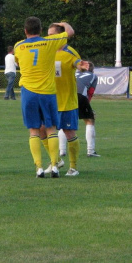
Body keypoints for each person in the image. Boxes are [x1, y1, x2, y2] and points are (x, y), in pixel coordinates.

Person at [13, 17, 74, 178]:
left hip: (28, 92)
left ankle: (39, 168)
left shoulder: (18, 46)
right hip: (47, 91)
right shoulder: (49, 42)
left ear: (25, 31)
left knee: (33, 130)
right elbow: (70, 32)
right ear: (41, 30)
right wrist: (62, 23)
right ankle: (54, 165)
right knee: (51, 128)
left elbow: (18, 62)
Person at [42, 23, 89, 177]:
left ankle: (73, 167)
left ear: (60, 36)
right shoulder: (47, 50)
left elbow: (78, 63)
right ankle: (55, 160)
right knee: (42, 129)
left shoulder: (70, 52)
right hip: (50, 99)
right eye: (48, 35)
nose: (49, 38)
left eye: (52, 35)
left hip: (66, 101)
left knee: (69, 133)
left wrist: (81, 66)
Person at [74, 62, 100, 157]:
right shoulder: (93, 75)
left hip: (66, 96)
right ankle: (90, 151)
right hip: (80, 96)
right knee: (90, 120)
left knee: (66, 122)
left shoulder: (74, 73)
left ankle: (62, 151)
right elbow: (90, 93)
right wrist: (88, 108)